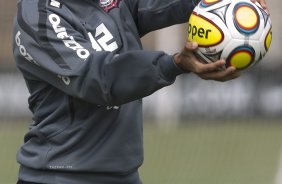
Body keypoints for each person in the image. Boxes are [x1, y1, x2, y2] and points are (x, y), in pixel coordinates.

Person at [13, 0, 268, 183]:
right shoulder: (39, 15)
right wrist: (174, 64)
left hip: (125, 174)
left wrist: (219, 4)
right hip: (60, 176)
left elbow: (159, 4)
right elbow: (101, 79)